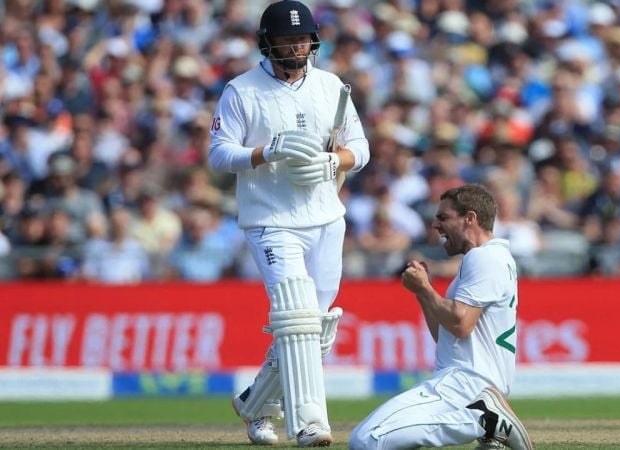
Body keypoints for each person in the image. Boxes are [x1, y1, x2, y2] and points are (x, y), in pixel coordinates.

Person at [207, 0, 369, 447]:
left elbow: (361, 147)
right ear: (268, 42)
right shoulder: (241, 91)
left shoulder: (331, 86)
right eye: (287, 39)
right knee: (296, 316)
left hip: (326, 216)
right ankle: (310, 423)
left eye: (302, 38)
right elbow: (220, 154)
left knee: (316, 325)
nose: (297, 46)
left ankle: (257, 405)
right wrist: (266, 152)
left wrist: (336, 161)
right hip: (271, 220)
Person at [349, 184, 532, 450]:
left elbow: (460, 324)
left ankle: (489, 421)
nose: (435, 225)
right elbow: (444, 332)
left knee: (368, 439)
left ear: (470, 218)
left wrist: (424, 288)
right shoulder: (491, 258)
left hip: (466, 385)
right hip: (469, 384)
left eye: (443, 217)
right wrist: (422, 292)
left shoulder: (484, 258)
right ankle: (490, 423)